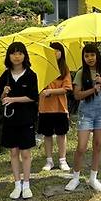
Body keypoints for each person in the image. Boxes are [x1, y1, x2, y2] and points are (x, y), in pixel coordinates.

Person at [65, 44, 101, 192]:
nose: (90, 58)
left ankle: (93, 177)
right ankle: (75, 177)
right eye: (87, 56)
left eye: (92, 55)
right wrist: (93, 89)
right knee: (81, 147)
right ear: (83, 58)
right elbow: (77, 95)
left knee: (98, 145)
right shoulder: (81, 73)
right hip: (86, 114)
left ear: (97, 56)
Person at [0, 41, 39, 200]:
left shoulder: (31, 75)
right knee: (13, 152)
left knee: (25, 152)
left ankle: (26, 184)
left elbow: (33, 97)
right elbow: (1, 99)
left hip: (26, 118)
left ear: (24, 56)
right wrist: (4, 93)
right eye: (13, 53)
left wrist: (14, 98)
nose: (16, 56)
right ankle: (17, 184)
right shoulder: (5, 75)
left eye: (20, 53)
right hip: (10, 120)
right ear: (8, 56)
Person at [38, 42, 72, 172]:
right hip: (45, 108)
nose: (55, 53)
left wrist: (51, 92)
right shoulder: (43, 68)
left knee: (61, 134)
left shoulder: (64, 69)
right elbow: (38, 86)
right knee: (47, 135)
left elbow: (67, 88)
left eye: (58, 50)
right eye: (53, 50)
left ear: (62, 53)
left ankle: (62, 160)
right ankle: (49, 160)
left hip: (60, 108)